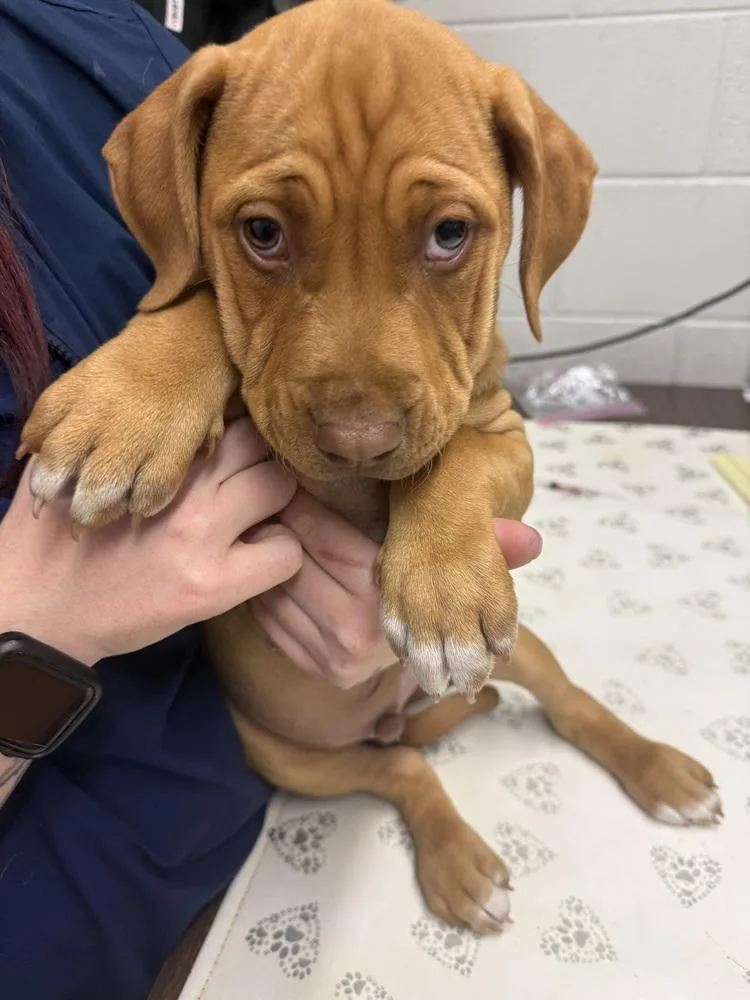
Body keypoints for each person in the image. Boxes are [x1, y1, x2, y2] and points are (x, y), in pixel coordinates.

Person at [0, 2, 543, 998]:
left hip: (251, 794)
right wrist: (29, 629)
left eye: (447, 233)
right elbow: (200, 275)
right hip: (120, 859)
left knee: (542, 669)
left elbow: (492, 433)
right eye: (264, 230)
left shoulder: (108, 35)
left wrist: (445, 510)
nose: (361, 428)